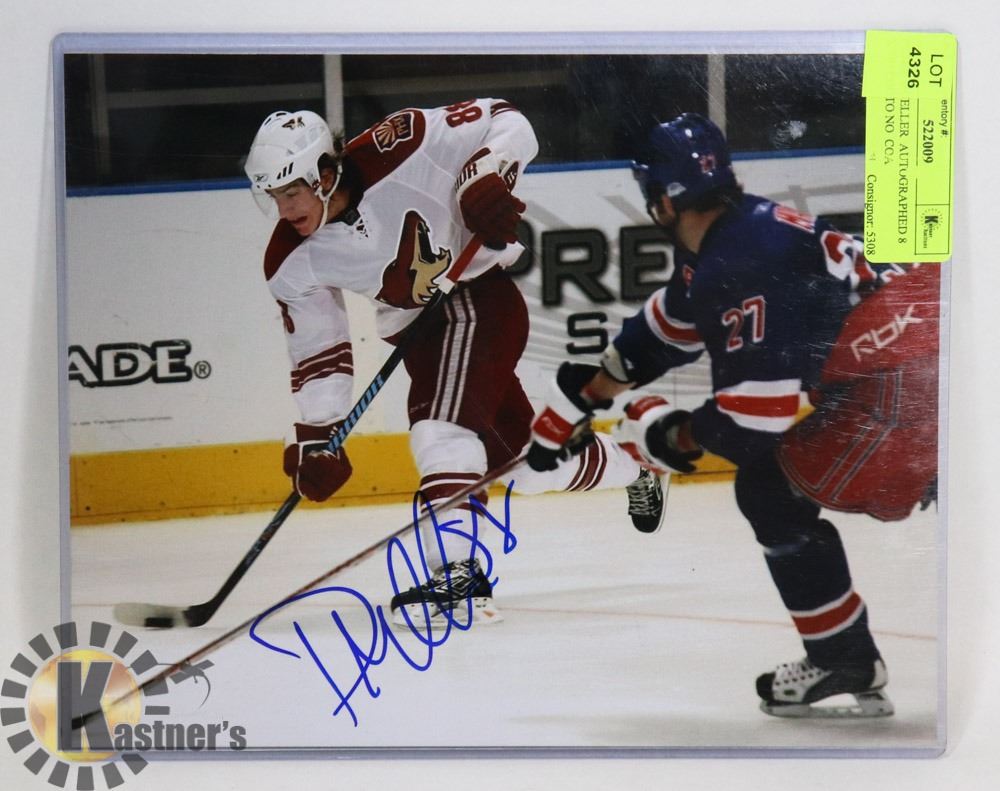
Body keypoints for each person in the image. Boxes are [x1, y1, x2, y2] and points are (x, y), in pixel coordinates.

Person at [527, 112, 940, 718]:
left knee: (769, 490)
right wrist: (583, 399)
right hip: (935, 348)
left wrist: (666, 435)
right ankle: (844, 653)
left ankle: (842, 657)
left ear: (661, 199)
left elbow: (754, 419)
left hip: (905, 383)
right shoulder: (739, 233)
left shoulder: (736, 263)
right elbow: (665, 329)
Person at [243, 100, 663, 629]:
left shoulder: (404, 142)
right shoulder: (290, 259)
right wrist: (317, 436)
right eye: (273, 196)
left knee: (440, 431)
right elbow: (319, 352)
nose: (284, 209)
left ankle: (458, 574)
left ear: (324, 175)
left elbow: (510, 119)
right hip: (421, 336)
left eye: (291, 192)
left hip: (479, 299)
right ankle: (637, 466)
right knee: (529, 466)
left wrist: (484, 176)